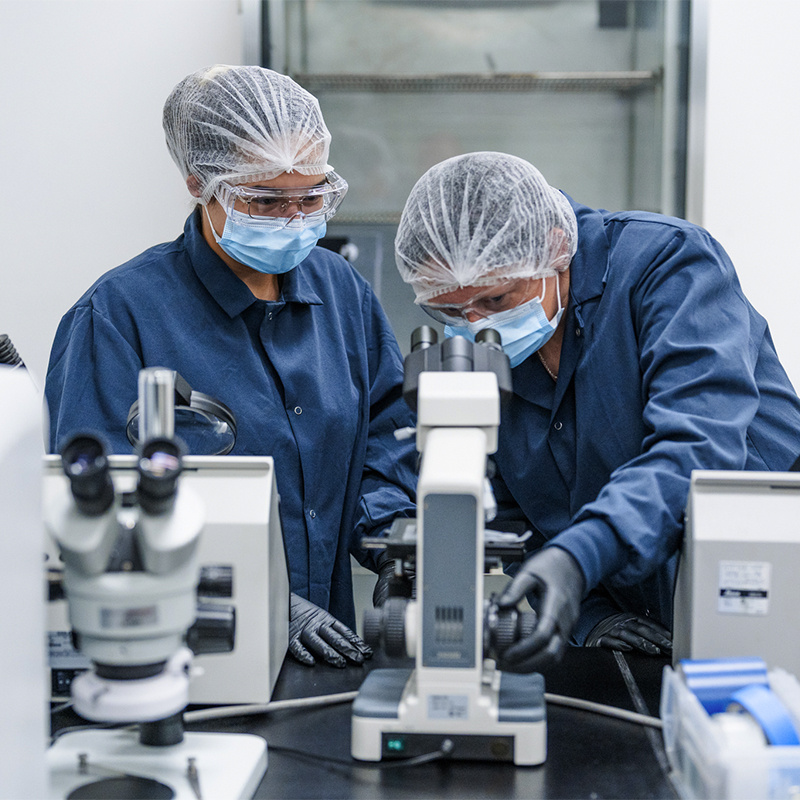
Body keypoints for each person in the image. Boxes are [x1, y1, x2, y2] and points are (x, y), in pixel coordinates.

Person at [45, 65, 417, 669]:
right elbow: (100, 515)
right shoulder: (118, 316)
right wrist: (266, 595)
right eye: (266, 199)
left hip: (331, 653)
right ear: (200, 184)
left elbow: (384, 444)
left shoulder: (342, 294)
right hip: (183, 655)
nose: (295, 216)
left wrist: (397, 549)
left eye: (313, 194)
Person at [394, 151, 800, 671]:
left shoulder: (666, 265)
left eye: (496, 301)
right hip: (642, 631)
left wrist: (581, 555)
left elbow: (699, 446)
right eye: (450, 310)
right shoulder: (484, 354)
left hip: (763, 584)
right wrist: (589, 611)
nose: (476, 327)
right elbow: (518, 511)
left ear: (556, 249)